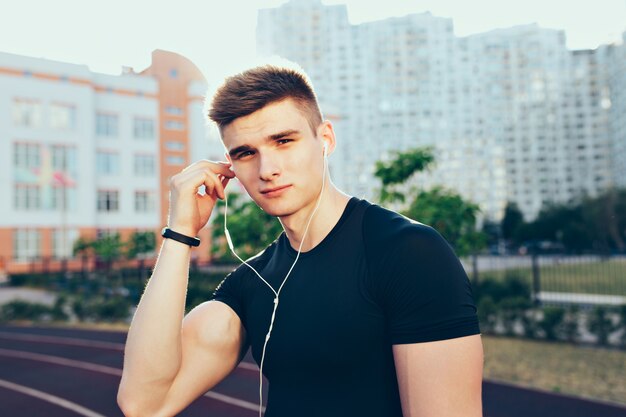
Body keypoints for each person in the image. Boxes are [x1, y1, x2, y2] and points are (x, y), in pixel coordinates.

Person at [117, 62, 484, 417]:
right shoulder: (253, 282)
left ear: (325, 139)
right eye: (246, 153)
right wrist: (180, 234)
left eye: (283, 141)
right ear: (230, 167)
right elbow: (144, 403)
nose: (267, 170)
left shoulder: (408, 252)